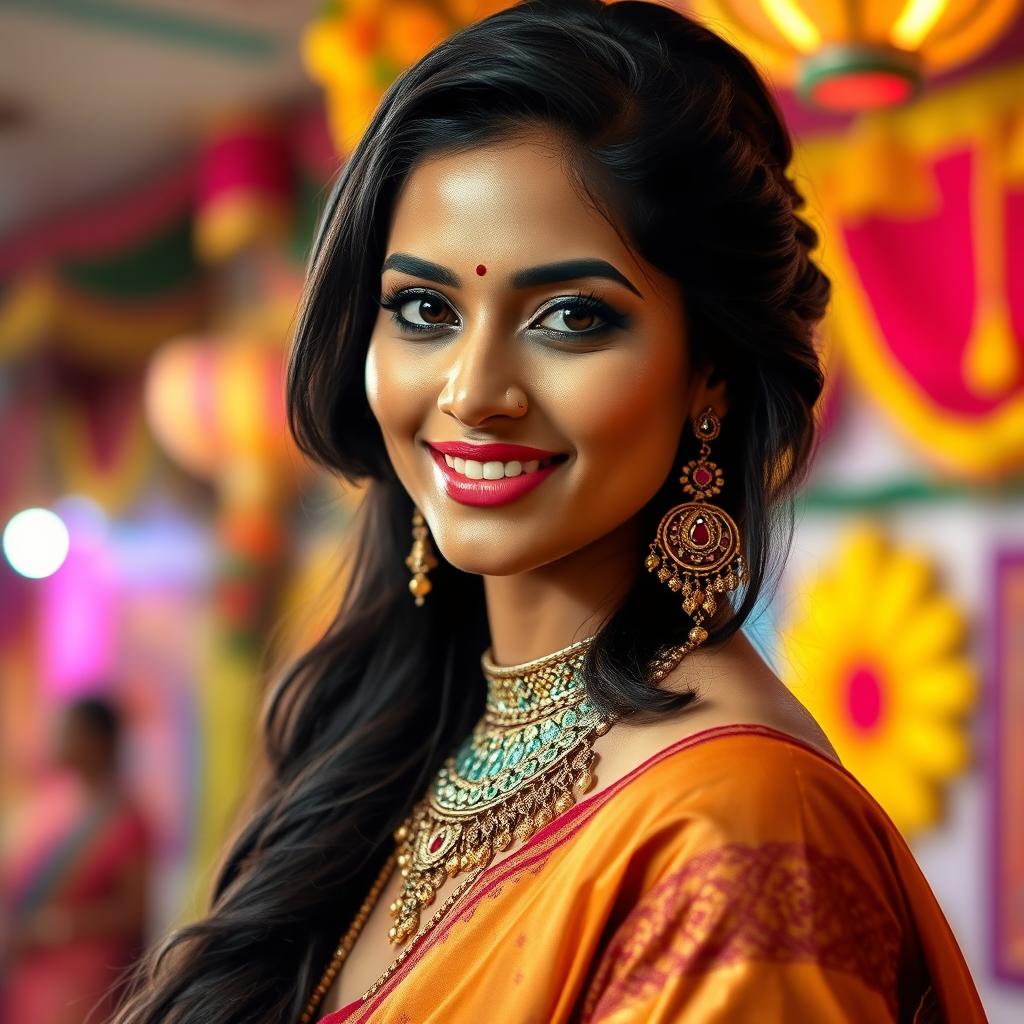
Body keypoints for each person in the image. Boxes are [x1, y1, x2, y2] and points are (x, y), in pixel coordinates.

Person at [112, 1, 987, 1021]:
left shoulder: (735, 837)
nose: (473, 390)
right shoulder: (392, 743)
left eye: (571, 316)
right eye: (425, 309)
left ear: (707, 370)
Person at [1, 695, 150, 1024]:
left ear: (100, 742)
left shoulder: (126, 819)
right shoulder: (49, 804)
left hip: (82, 977)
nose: (57, 740)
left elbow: (134, 911)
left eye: (69, 732)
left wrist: (59, 927)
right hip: (29, 962)